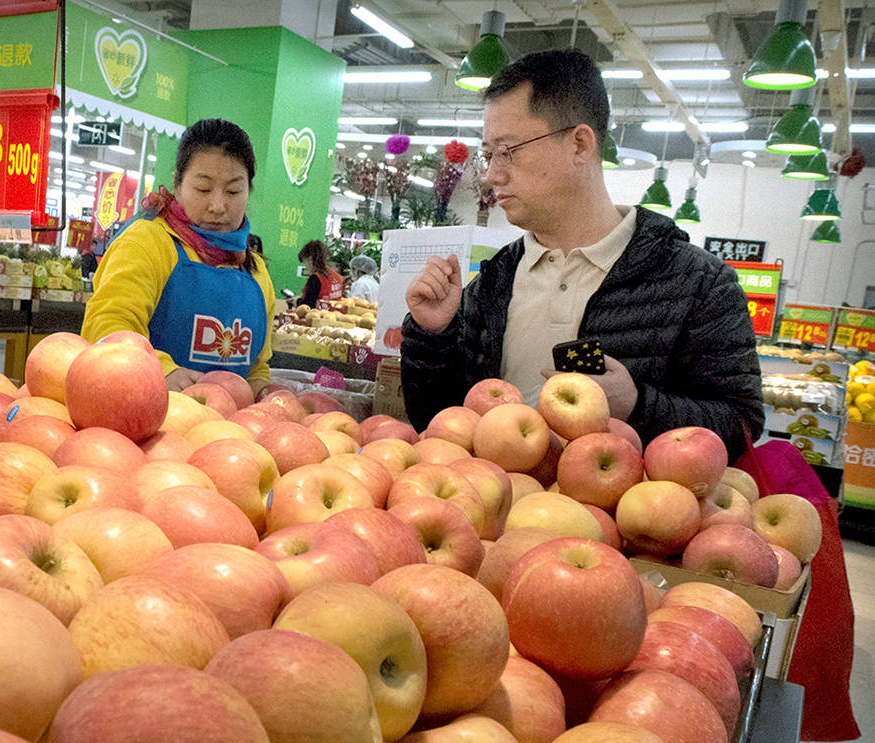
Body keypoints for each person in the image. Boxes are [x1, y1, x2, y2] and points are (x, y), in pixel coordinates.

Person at [399, 49, 763, 457]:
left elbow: (741, 427)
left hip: (627, 517)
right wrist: (433, 336)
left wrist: (637, 406)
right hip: (493, 510)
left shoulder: (698, 283)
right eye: (488, 153)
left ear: (579, 144)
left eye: (508, 150)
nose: (491, 173)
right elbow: (439, 423)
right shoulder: (492, 283)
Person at [81, 118, 275, 394]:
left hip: (228, 431)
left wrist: (264, 395)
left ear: (249, 191)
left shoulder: (255, 273)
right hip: (140, 419)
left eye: (233, 191)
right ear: (177, 184)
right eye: (203, 189)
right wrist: (162, 370)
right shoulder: (147, 243)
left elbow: (257, 367)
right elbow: (106, 327)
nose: (218, 206)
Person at [297, 239, 345, 309]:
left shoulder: (315, 278)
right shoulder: (337, 277)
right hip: (334, 316)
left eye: (305, 262)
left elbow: (308, 306)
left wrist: (297, 301)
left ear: (310, 259)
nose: (306, 267)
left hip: (318, 317)